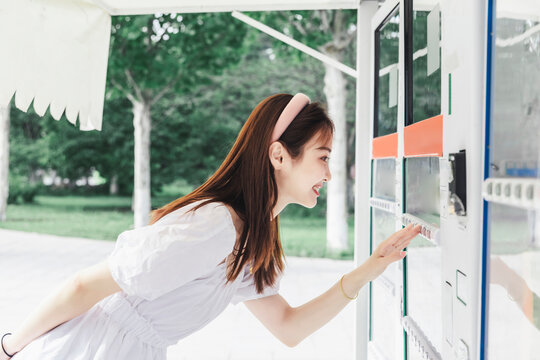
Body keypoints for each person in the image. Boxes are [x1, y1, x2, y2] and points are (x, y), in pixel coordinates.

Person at [1, 93, 420, 359]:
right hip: (92, 349)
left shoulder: (249, 241)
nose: (329, 174)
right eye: (323, 157)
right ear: (278, 156)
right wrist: (10, 346)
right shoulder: (216, 226)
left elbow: (289, 329)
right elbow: (83, 287)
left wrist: (371, 269)